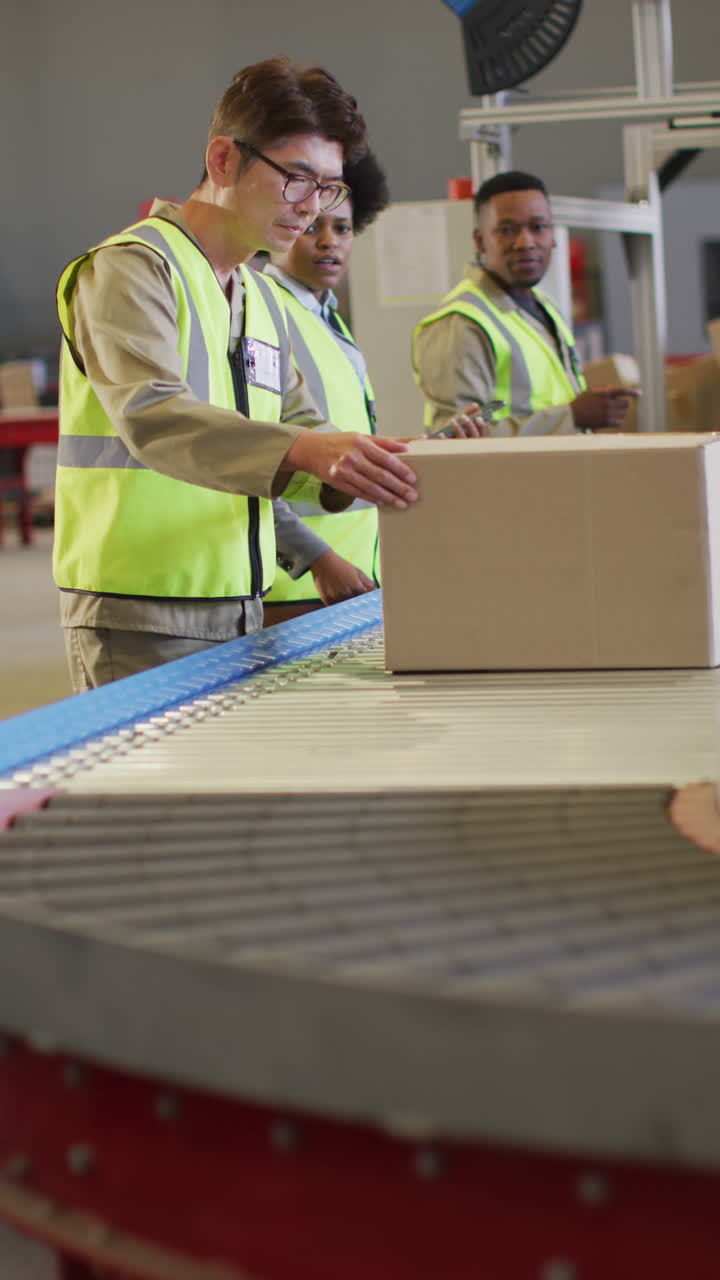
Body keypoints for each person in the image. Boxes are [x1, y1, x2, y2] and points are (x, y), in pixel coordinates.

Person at [53, 57, 417, 691]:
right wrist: (308, 448)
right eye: (297, 178)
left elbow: (296, 431)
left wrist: (360, 468)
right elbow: (153, 415)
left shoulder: (256, 294)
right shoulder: (132, 269)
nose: (312, 208)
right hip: (139, 608)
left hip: (241, 603)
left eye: (329, 187)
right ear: (223, 161)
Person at [261, 149, 390, 625]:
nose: (327, 242)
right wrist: (315, 557)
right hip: (293, 585)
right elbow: (247, 455)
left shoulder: (327, 319)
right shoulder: (264, 312)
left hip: (351, 576)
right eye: (313, 226)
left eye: (342, 228)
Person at [412, 170, 638, 437]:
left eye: (538, 227)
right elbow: (452, 439)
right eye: (507, 230)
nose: (525, 242)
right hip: (510, 480)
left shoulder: (544, 307)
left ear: (552, 236)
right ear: (480, 241)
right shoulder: (462, 324)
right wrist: (572, 416)